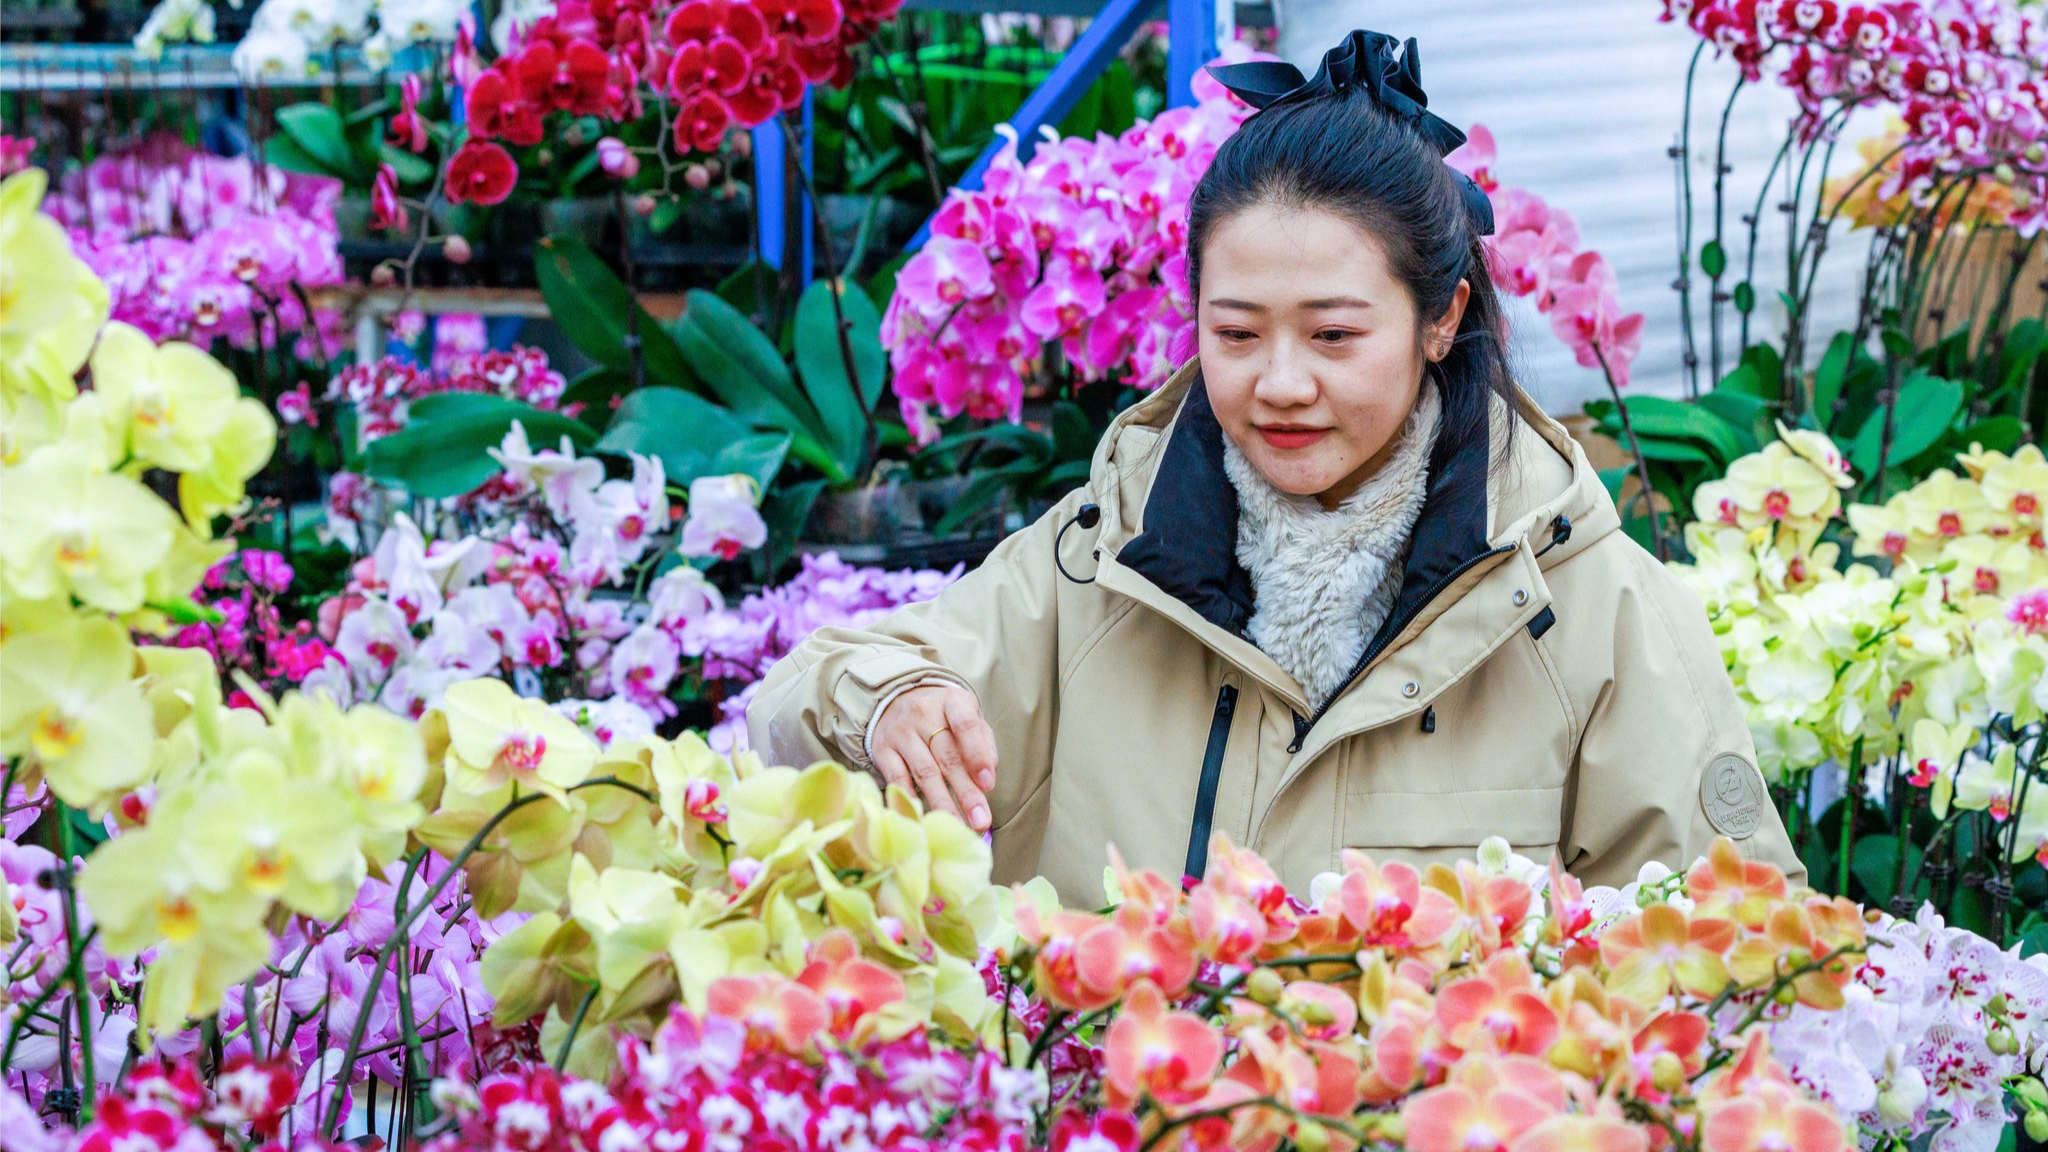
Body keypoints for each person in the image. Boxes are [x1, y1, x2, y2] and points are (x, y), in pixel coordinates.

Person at [748, 29, 1805, 906]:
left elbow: (1727, 946)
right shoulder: (1099, 561)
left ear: (1442, 318)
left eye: (1334, 336)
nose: (1279, 384)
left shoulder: (1587, 607)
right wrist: (889, 699)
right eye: (1237, 334)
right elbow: (803, 700)